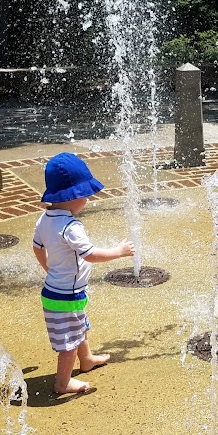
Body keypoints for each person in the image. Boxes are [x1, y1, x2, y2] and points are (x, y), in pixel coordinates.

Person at [32, 152, 135, 395]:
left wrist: (49, 269)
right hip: (65, 296)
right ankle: (62, 383)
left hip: (58, 291)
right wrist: (118, 252)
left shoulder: (44, 219)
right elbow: (91, 255)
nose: (88, 200)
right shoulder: (71, 226)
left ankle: (86, 359)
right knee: (69, 342)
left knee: (80, 327)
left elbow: (37, 248)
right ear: (73, 197)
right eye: (85, 195)